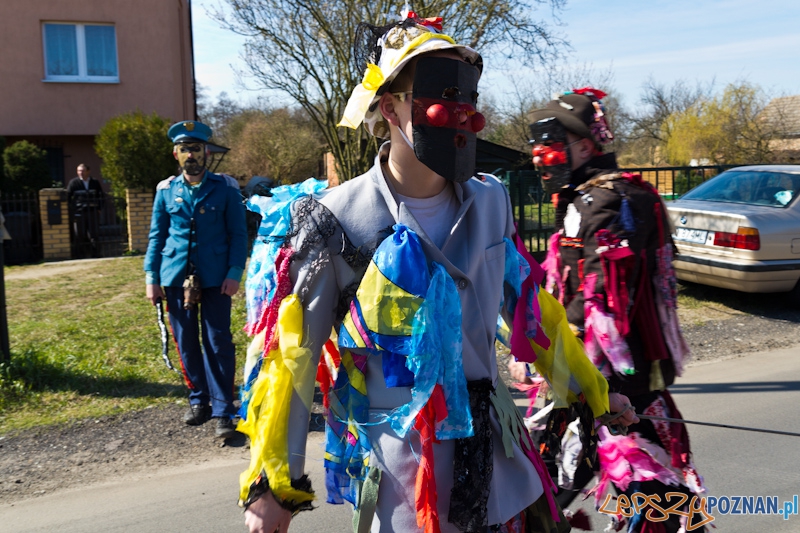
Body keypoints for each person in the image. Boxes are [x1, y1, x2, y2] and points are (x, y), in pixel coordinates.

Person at [238, 14, 636, 533]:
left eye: (466, 99)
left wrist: (591, 390)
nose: (462, 115)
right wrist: (274, 482)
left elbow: (529, 310)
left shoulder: (491, 198)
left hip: (500, 470)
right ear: (389, 109)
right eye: (441, 94)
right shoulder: (334, 220)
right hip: (406, 486)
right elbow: (291, 358)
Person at [517, 89, 705, 532]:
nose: (540, 158)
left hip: (612, 388)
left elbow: (600, 304)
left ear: (583, 144)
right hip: (589, 382)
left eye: (548, 144)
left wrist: (560, 366)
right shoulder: (596, 195)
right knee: (540, 490)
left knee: (653, 502)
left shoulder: (606, 202)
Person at [144, 120, 248, 439]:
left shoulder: (225, 188)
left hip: (217, 277)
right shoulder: (166, 191)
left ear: (206, 152)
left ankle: (222, 411)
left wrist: (234, 273)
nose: (192, 155)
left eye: (197, 149)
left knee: (218, 342)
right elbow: (157, 236)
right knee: (186, 343)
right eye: (185, 149)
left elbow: (238, 234)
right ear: (176, 154)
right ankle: (199, 400)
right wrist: (151, 276)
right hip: (175, 276)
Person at [66, 163, 104, 258]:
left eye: (82, 171)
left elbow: (101, 196)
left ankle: (96, 254)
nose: (81, 173)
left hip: (92, 211)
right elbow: (68, 197)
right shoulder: (73, 183)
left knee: (94, 234)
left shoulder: (95, 182)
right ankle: (79, 255)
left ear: (88, 171)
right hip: (79, 212)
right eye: (79, 171)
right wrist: (72, 210)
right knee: (79, 234)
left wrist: (99, 208)